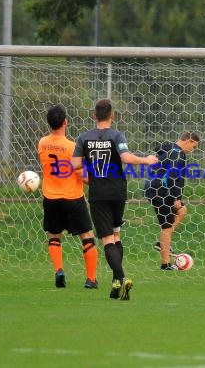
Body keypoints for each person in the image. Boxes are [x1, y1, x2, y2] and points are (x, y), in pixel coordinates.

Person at [72, 99, 158, 300]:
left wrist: (88, 161)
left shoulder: (84, 138)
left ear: (94, 116)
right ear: (113, 115)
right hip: (118, 191)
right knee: (117, 235)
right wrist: (146, 159)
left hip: (98, 194)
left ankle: (121, 276)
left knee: (107, 240)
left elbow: (75, 164)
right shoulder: (116, 135)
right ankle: (116, 282)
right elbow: (126, 158)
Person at [37, 104, 98, 289]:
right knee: (87, 236)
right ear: (65, 122)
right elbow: (84, 176)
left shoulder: (42, 143)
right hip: (72, 198)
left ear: (49, 123)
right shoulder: (73, 147)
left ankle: (59, 270)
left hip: (51, 198)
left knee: (54, 235)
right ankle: (91, 279)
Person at [144, 131, 200, 270]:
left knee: (182, 210)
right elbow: (174, 175)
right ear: (189, 140)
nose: (192, 151)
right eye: (193, 147)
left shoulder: (170, 149)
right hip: (162, 191)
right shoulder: (177, 153)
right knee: (166, 227)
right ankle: (165, 264)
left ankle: (161, 243)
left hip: (155, 189)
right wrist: (176, 197)